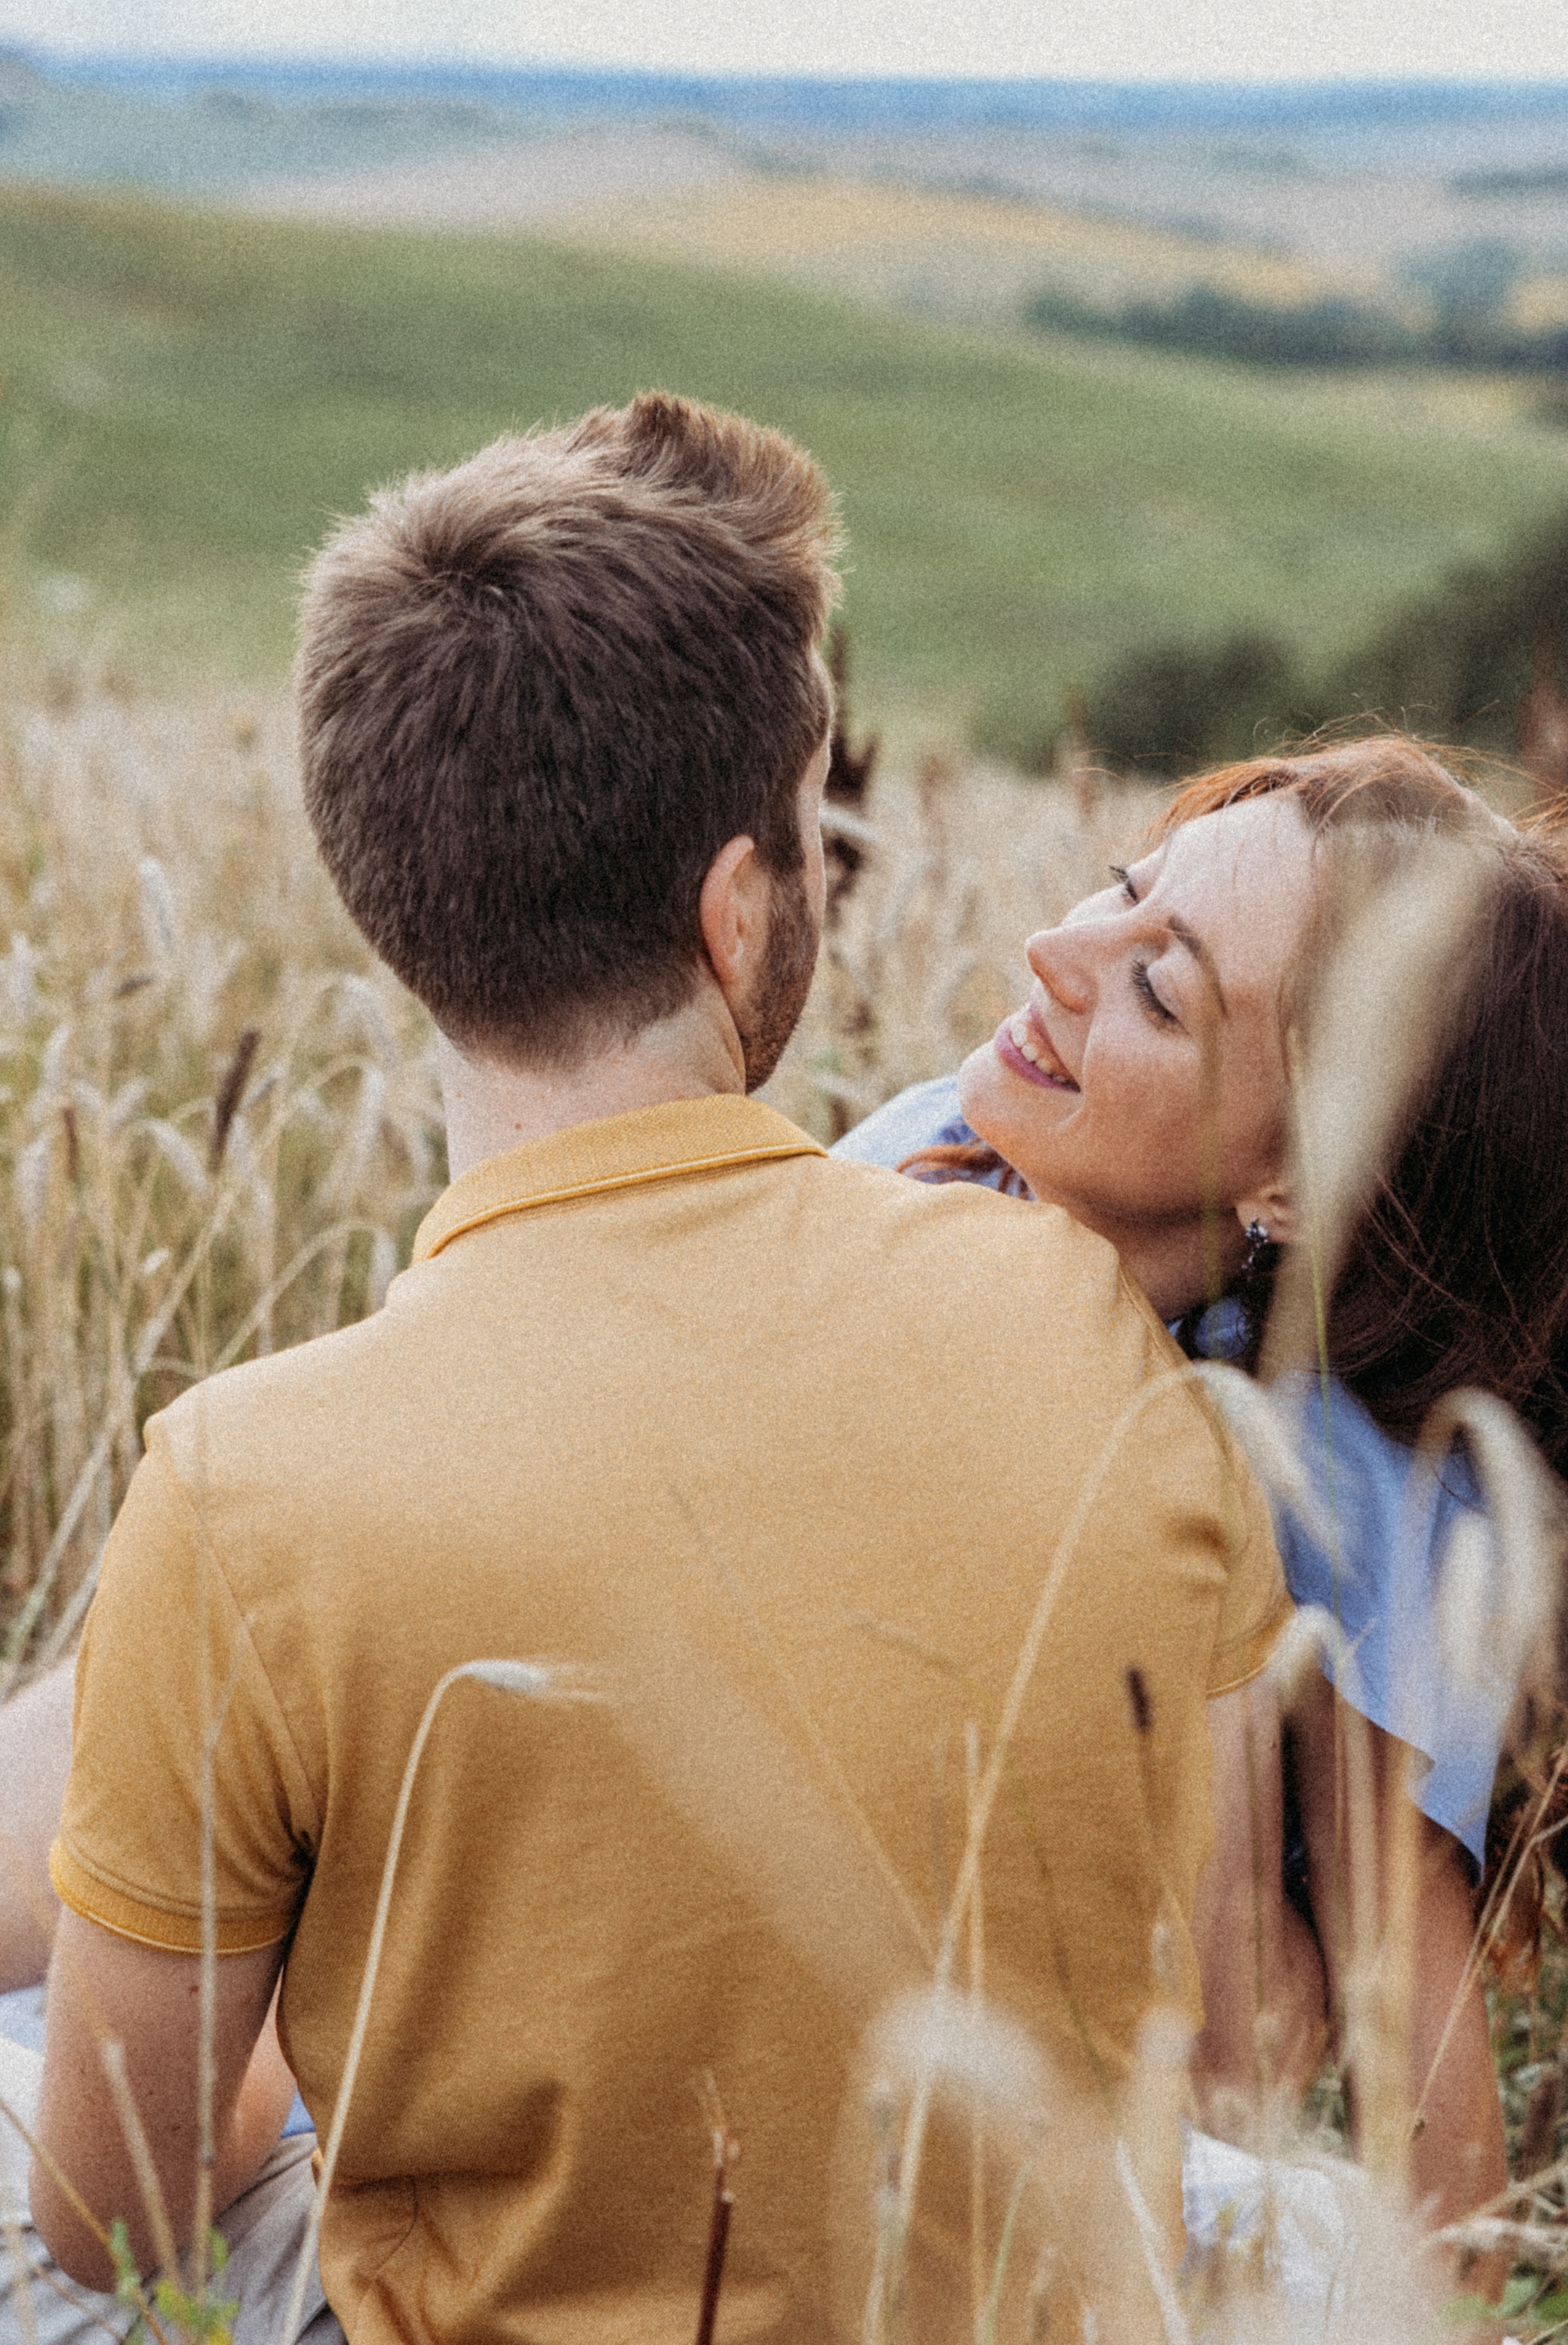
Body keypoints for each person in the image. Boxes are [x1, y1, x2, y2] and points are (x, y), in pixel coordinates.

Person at [3, 395, 1293, 2345]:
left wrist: (342, 2045)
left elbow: (121, 2231)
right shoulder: (1079, 1325)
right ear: (741, 903)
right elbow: (1212, 2001)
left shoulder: (239, 1483)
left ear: (384, 896)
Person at [836, 735, 1568, 2253]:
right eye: (1116, 893)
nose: (1054, 952)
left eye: (1160, 986)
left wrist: (1429, 2305)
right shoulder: (910, 1164)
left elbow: (1372, 2023)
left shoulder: (1351, 1474)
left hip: (1168, 2100)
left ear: (1298, 1181)